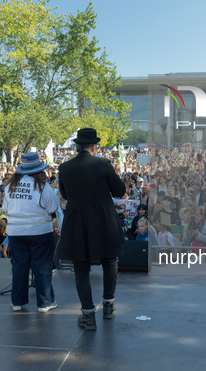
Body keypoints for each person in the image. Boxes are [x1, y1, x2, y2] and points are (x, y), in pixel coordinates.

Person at [57, 128, 126, 331]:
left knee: (81, 268)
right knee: (110, 260)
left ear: (77, 146)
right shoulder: (102, 164)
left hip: (77, 220)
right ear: (94, 146)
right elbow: (120, 190)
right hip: (104, 219)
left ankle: (88, 315)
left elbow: (65, 194)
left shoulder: (65, 167)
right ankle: (108, 306)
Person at [3, 152, 61, 314]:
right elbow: (53, 208)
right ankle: (45, 302)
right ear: (39, 170)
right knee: (42, 266)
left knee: (19, 267)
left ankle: (17, 301)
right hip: (40, 232)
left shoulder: (9, 187)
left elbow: (6, 209)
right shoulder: (42, 187)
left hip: (15, 233)